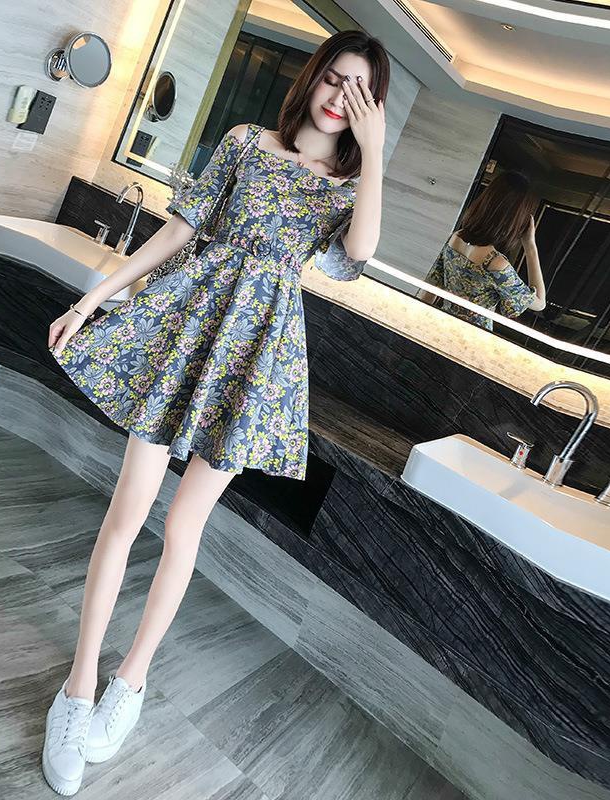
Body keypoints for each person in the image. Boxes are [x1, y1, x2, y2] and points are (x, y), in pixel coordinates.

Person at [40, 29, 388, 795]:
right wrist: (94, 298)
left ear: (373, 105)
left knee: (183, 527)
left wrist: (376, 152)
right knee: (127, 512)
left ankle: (131, 682)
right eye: (334, 79)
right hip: (186, 327)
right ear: (314, 76)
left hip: (256, 359)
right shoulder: (245, 142)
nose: (340, 98)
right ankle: (78, 687)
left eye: (359, 90)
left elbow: (358, 256)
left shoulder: (347, 187)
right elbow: (180, 228)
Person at [418, 170, 546, 331]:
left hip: (441, 325)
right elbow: (539, 302)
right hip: (472, 337)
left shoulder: (456, 238)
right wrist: (530, 246)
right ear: (515, 218)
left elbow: (432, 286)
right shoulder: (496, 264)